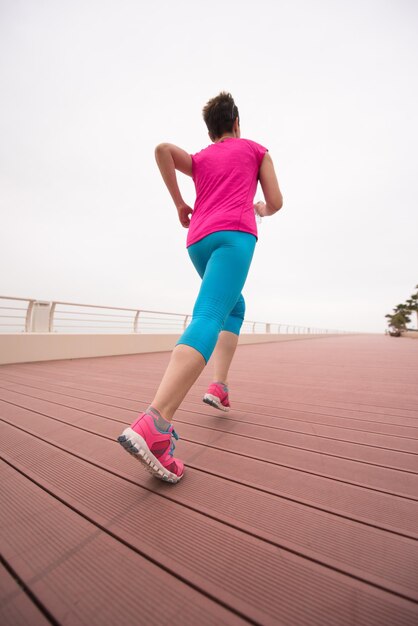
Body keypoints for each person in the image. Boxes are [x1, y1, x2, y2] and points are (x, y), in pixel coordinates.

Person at [118, 92, 283, 483]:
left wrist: (179, 203)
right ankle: (155, 424)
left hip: (198, 240)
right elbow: (275, 201)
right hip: (233, 236)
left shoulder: (201, 158)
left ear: (210, 131)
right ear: (237, 122)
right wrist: (259, 208)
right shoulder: (256, 150)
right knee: (210, 313)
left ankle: (219, 386)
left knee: (233, 307)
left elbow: (162, 150)